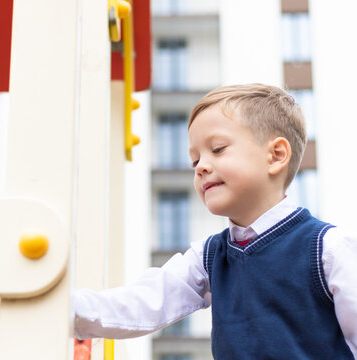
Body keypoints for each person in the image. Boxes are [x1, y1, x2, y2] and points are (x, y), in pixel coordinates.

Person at [74, 84, 357, 359]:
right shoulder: (209, 258)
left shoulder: (327, 248)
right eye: (195, 161)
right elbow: (146, 302)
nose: (201, 167)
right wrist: (68, 308)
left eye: (218, 149)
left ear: (276, 155)